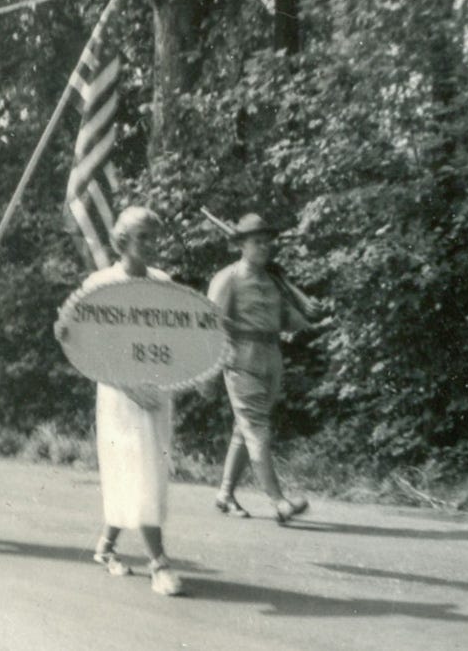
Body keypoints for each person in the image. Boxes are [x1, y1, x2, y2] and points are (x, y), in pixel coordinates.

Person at [55, 206, 184, 597]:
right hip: (119, 396)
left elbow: (176, 339)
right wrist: (124, 383)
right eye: (143, 236)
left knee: (149, 473)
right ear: (122, 240)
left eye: (154, 236)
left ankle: (106, 545)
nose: (150, 244)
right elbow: (71, 334)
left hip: (157, 393)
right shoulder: (101, 283)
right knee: (136, 469)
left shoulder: (163, 282)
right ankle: (159, 564)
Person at [207, 213, 312, 523]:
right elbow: (210, 322)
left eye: (267, 242)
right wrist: (211, 369)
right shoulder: (228, 278)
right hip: (240, 359)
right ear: (241, 245)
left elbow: (287, 320)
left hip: (271, 358)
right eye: (257, 242)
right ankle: (278, 501)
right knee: (257, 430)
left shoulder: (273, 280)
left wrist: (309, 314)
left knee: (246, 429)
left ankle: (225, 494)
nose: (264, 247)